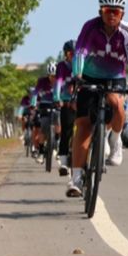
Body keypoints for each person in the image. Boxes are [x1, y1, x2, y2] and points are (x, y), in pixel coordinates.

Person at [66, 0, 128, 197]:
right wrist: (77, 75)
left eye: (116, 11)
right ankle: (76, 179)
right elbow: (80, 51)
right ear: (101, 11)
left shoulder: (127, 31)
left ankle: (115, 140)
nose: (112, 15)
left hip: (115, 77)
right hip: (89, 76)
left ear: (122, 14)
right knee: (83, 127)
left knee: (117, 104)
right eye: (108, 10)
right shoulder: (90, 27)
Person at [54, 40, 76, 176]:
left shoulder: (84, 64)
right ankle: (63, 162)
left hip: (82, 101)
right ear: (66, 54)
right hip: (67, 102)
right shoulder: (62, 66)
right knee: (66, 132)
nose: (72, 56)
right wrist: (57, 98)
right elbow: (58, 83)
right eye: (70, 53)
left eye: (75, 53)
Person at [31, 62, 58, 163]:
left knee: (59, 123)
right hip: (44, 105)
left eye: (55, 76)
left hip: (57, 104)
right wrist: (33, 104)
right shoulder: (42, 81)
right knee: (43, 128)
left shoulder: (60, 81)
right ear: (48, 75)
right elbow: (35, 92)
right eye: (51, 76)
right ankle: (41, 153)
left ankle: (57, 143)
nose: (53, 78)